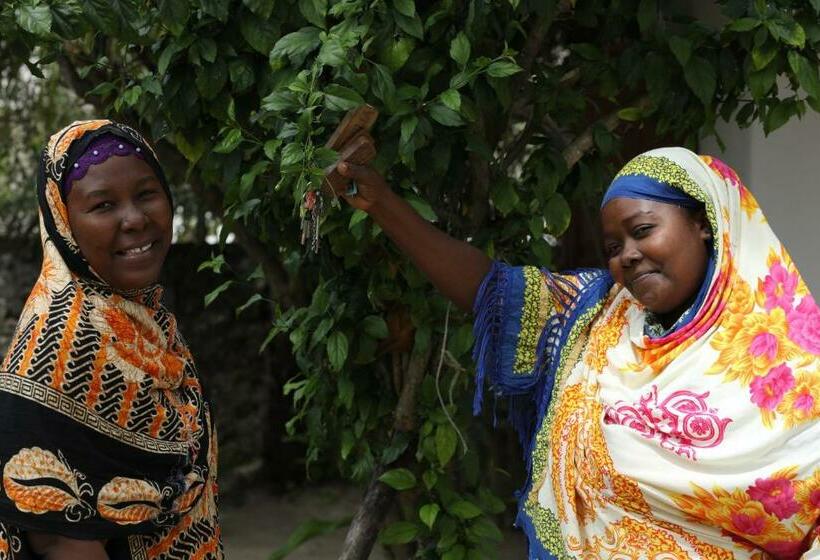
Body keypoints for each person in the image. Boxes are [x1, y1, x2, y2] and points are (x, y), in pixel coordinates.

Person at [332, 147, 820, 558]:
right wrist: (383, 205)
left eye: (643, 229)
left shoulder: (796, 373)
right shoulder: (597, 313)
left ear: (703, 223)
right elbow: (491, 289)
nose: (626, 255)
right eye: (613, 244)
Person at [0, 120, 221, 559]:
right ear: (64, 222)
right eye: (103, 205)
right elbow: (59, 540)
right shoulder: (62, 341)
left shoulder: (140, 320)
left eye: (146, 194)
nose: (136, 220)